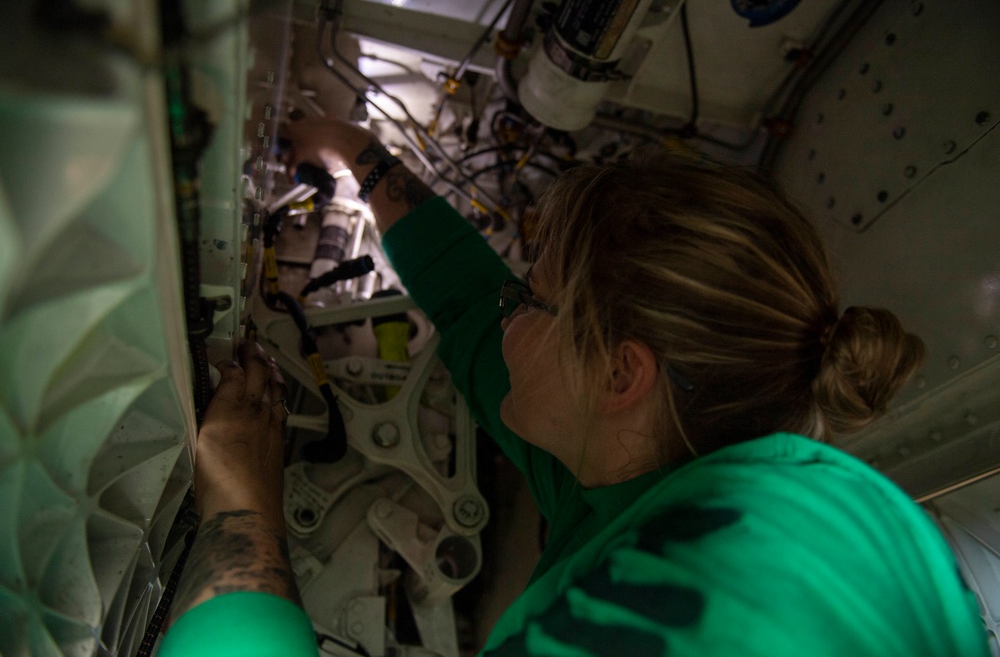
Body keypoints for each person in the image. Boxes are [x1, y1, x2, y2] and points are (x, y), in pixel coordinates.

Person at [158, 117, 988, 656]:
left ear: (622, 373)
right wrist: (359, 154)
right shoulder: (658, 465)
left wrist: (241, 510)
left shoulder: (692, 612)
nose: (508, 307)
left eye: (533, 296)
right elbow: (475, 310)